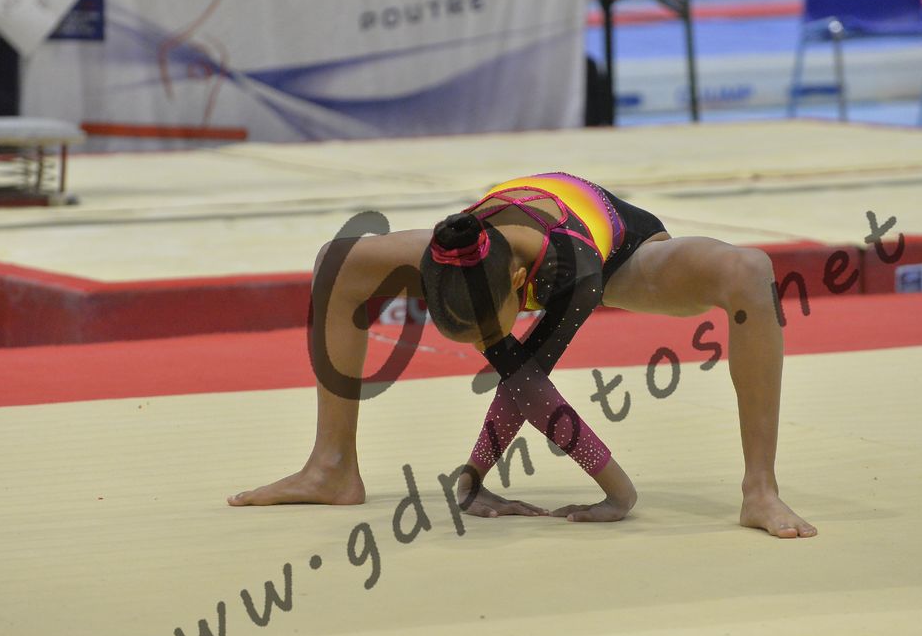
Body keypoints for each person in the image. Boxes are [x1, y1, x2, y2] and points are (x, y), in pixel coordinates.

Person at [229, 172, 816, 538]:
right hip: (511, 240)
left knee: (749, 270)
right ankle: (331, 467)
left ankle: (760, 489)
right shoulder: (449, 252)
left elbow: (529, 384)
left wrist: (618, 493)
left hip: (619, 247)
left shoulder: (578, 271)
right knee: (338, 262)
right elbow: (511, 365)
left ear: (517, 285)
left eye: (487, 334)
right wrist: (474, 482)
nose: (484, 348)